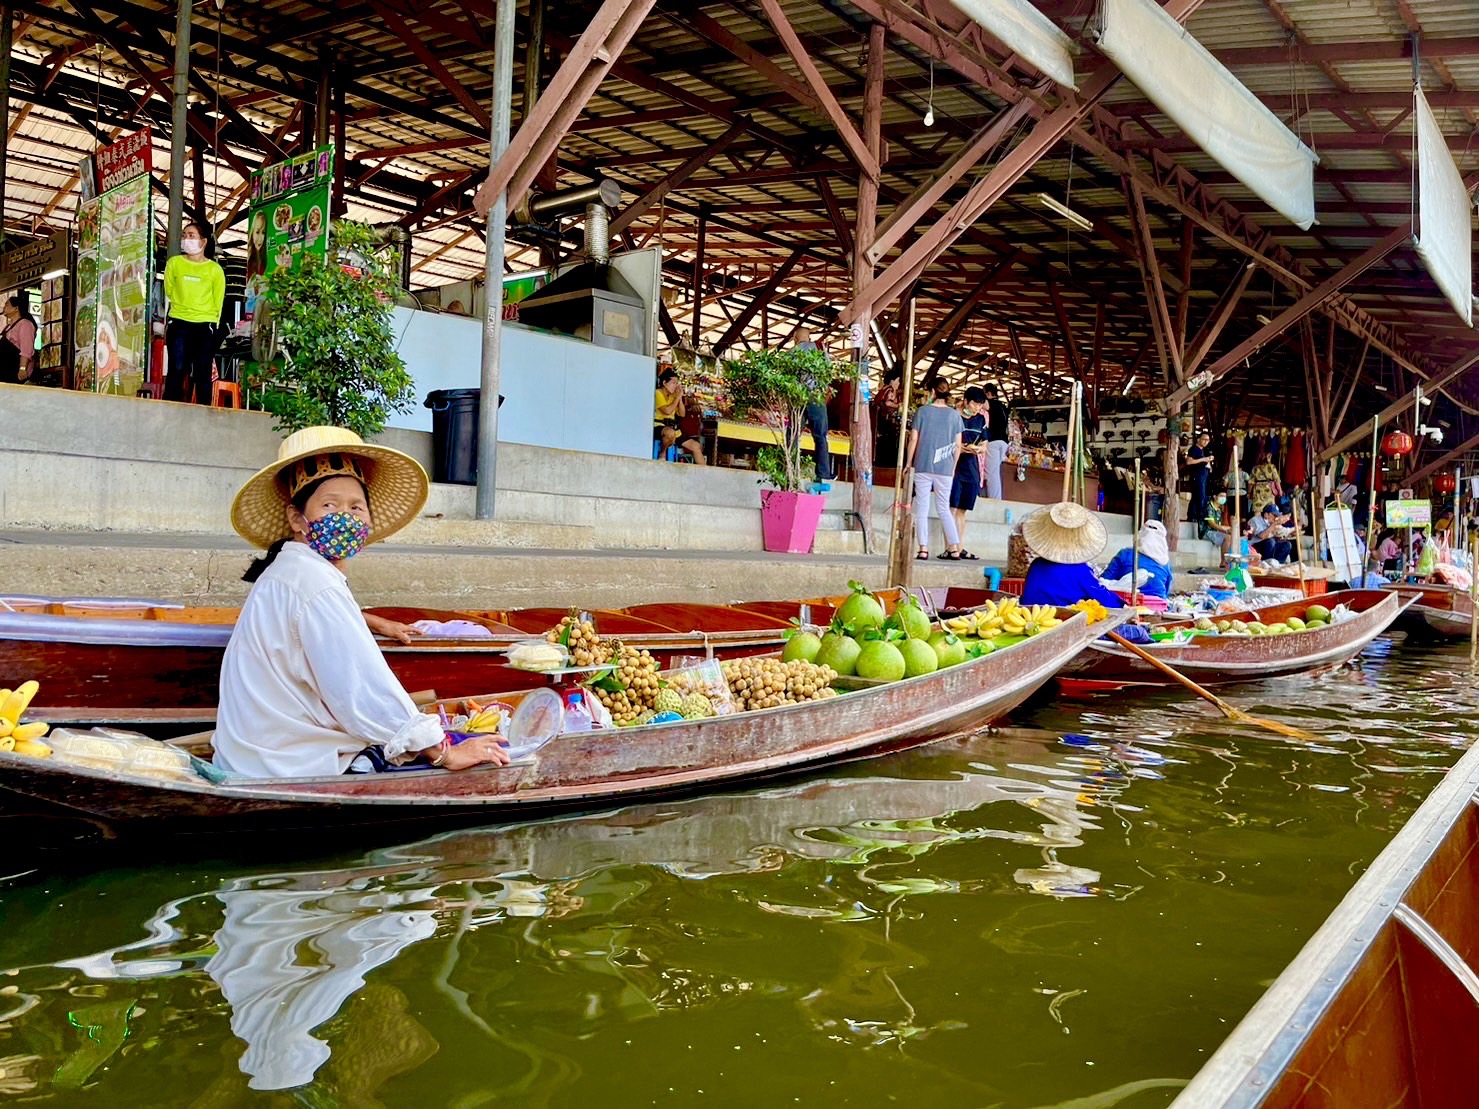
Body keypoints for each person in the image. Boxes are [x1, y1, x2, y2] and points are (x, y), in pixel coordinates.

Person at [215, 425, 510, 778]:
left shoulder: (291, 571)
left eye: (356, 507)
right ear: (298, 519)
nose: (346, 517)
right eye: (330, 505)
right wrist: (443, 752)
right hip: (287, 766)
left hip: (252, 755)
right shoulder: (315, 584)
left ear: (368, 520)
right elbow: (361, 693)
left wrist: (375, 622)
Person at [163, 220, 226, 404]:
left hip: (205, 325)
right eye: (184, 235)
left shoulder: (215, 269)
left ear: (203, 241)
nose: (186, 239)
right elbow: (169, 290)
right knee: (177, 368)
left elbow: (218, 300)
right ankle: (169, 409)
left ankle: (204, 413)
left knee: (202, 373)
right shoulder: (174, 263)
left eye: (191, 236)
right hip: (179, 322)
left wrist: (213, 324)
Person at [1020, 501, 1124, 609]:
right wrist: (1122, 604)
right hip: (1062, 621)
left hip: (1030, 616)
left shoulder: (1036, 564)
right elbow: (1102, 597)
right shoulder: (1080, 570)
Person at [907, 378, 965, 560]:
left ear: (932, 391)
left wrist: (909, 463)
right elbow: (958, 446)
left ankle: (923, 549)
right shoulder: (955, 415)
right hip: (946, 468)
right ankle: (954, 548)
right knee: (944, 509)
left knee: (922, 508)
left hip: (923, 465)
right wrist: (953, 467)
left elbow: (914, 439)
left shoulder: (922, 412)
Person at [948, 386, 987, 559]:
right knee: (952, 508)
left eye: (980, 405)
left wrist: (978, 449)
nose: (978, 408)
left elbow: (985, 443)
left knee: (963, 510)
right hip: (954, 466)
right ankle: (950, 547)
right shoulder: (953, 416)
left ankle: (960, 546)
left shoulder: (980, 420)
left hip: (971, 468)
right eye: (975, 404)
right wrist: (959, 448)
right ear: (965, 401)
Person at [793, 326, 833, 493]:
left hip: (799, 397)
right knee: (821, 435)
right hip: (816, 397)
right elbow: (828, 371)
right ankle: (823, 472)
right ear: (809, 337)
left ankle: (792, 468)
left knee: (794, 433)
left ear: (795, 339)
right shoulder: (819, 348)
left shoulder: (792, 352)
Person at [1102, 520, 1174, 598]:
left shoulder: (1124, 554)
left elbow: (1104, 581)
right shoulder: (1165, 563)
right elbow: (1166, 590)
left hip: (1125, 602)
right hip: (1158, 604)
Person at [653, 368, 705, 465]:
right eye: (673, 383)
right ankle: (662, 454)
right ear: (664, 383)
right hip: (659, 425)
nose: (675, 386)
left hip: (674, 428)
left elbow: (682, 414)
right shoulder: (658, 393)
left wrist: (679, 398)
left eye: (677, 383)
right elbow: (667, 411)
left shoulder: (673, 396)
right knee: (670, 434)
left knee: (696, 446)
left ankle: (704, 472)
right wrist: (677, 398)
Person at [981, 383, 1011, 501]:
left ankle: (994, 500)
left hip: (993, 442)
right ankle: (995, 497)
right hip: (1003, 442)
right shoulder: (1002, 406)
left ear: (988, 394)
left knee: (991, 474)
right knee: (995, 472)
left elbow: (983, 404)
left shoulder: (991, 404)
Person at [0, 294, 38, 385]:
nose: (4, 307)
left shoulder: (25, 324)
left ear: (16, 308)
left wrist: (22, 369)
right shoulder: (8, 327)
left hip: (14, 372)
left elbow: (26, 349)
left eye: (7, 305)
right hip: (5, 372)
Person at [1201, 491, 1233, 557]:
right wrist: (1225, 530)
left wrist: (1229, 529)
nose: (1223, 498)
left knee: (1233, 536)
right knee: (1227, 538)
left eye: (1225, 496)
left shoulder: (1218, 510)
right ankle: (1223, 562)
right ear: (1215, 497)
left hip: (1215, 532)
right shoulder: (1209, 507)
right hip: (1207, 532)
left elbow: (1218, 525)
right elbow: (1212, 524)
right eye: (1221, 496)